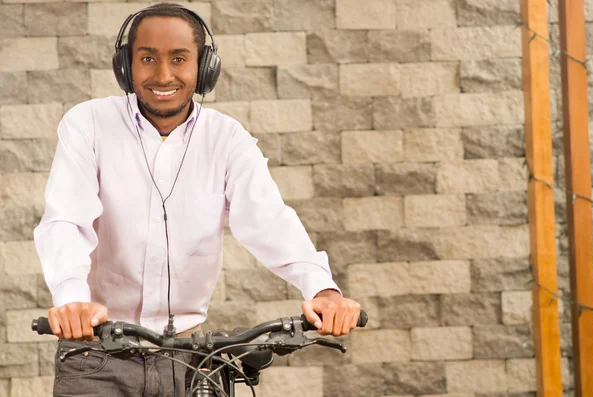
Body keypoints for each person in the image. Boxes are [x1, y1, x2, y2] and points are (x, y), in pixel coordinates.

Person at [33, 2, 361, 396]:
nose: (163, 74)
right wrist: (71, 300)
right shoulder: (87, 125)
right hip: (95, 353)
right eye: (147, 58)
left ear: (204, 67)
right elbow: (67, 219)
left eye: (179, 59)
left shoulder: (227, 138)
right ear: (126, 66)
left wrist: (322, 290)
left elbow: (269, 218)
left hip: (191, 360)